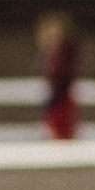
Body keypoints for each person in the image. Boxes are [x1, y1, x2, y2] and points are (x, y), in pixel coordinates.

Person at [38, 10, 81, 140]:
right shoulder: (52, 57)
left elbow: (61, 80)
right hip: (54, 100)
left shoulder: (64, 56)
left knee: (62, 134)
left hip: (61, 101)